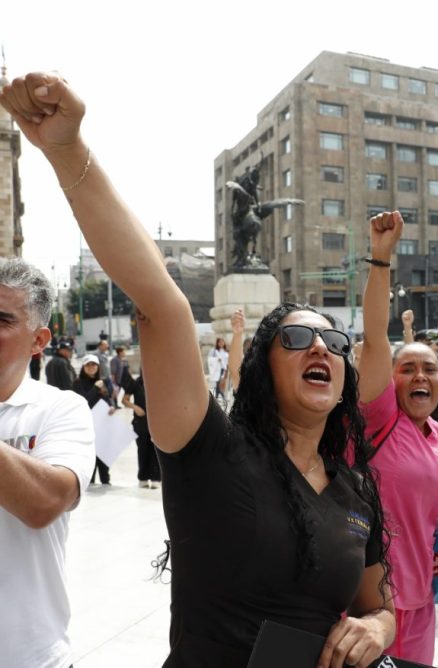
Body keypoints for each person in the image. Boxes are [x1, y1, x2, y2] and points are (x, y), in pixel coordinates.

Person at [0, 71, 394, 668]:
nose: (321, 349)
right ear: (261, 367)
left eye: (333, 340)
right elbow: (161, 302)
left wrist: (380, 627)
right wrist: (67, 150)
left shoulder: (356, 487)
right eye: (296, 338)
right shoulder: (210, 450)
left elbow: (377, 603)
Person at [358, 210, 438, 664]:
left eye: (430, 368)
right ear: (389, 381)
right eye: (407, 368)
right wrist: (382, 258)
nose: (420, 375)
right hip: (368, 605)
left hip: (421, 600)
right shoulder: (379, 419)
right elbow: (375, 337)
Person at [0, 257, 95, 667]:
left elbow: (43, 503)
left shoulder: (61, 409)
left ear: (39, 340)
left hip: (30, 658)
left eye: (1, 320)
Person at [73, 353, 114, 485]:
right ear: (83, 367)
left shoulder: (103, 381)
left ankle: (105, 480)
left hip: (103, 423)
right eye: (88, 365)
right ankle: (89, 481)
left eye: (94, 365)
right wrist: (95, 387)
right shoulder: (78, 383)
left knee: (104, 453)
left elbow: (107, 399)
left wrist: (111, 406)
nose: (91, 367)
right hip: (87, 424)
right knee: (90, 454)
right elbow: (83, 402)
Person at [121, 370, 161, 489]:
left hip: (156, 422)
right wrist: (135, 408)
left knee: (155, 450)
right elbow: (124, 400)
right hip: (140, 423)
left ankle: (156, 477)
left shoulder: (158, 382)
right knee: (142, 450)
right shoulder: (135, 383)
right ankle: (143, 477)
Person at [207, 336, 229, 404]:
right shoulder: (214, 351)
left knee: (221, 384)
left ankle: (216, 398)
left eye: (222, 342)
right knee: (218, 384)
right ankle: (222, 397)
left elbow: (228, 361)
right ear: (217, 343)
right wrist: (217, 360)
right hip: (218, 370)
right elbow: (209, 359)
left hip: (224, 370)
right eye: (220, 342)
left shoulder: (226, 351)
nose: (221, 343)